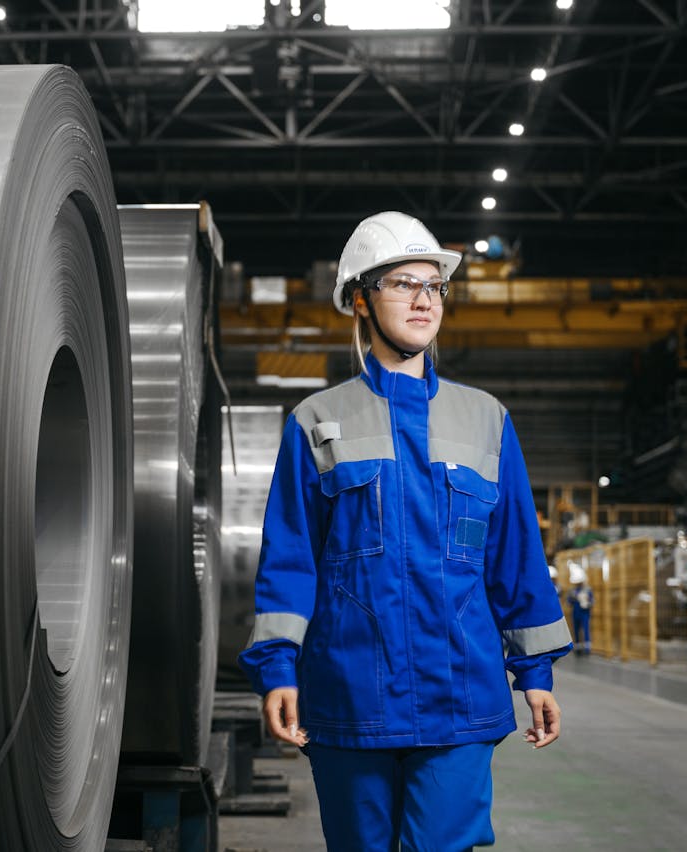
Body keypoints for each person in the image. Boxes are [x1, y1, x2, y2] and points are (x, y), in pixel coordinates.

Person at [239, 212, 572, 851]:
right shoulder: (317, 421)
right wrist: (278, 670)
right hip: (350, 694)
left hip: (459, 695)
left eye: (434, 286)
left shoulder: (486, 421)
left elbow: (515, 561)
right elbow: (290, 560)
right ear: (361, 301)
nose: (424, 299)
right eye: (402, 284)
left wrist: (536, 675)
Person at [568, 566, 594, 656]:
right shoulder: (572, 591)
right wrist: (574, 598)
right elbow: (569, 602)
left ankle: (587, 649)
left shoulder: (587, 590)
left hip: (584, 613)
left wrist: (588, 603)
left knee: (586, 630)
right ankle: (578, 649)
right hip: (575, 613)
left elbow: (592, 601)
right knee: (576, 630)